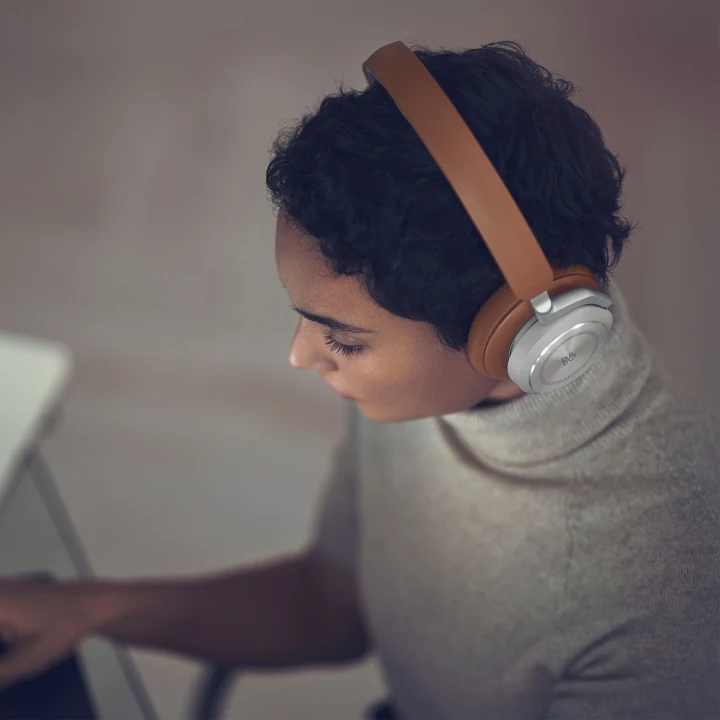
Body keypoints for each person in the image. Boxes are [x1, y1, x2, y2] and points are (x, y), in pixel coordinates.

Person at [0, 41, 718, 720]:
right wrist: (91, 609)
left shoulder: (669, 594)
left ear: (518, 337)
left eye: (341, 338)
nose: (302, 358)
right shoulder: (420, 392)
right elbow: (330, 605)